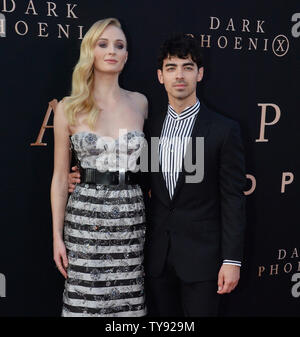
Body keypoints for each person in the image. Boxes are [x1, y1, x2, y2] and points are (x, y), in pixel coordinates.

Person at [68, 33, 246, 317]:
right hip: (156, 260)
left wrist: (232, 260)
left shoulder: (223, 131)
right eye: (171, 67)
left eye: (187, 67)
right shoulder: (150, 128)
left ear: (200, 74)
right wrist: (81, 176)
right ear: (160, 76)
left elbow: (233, 199)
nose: (180, 76)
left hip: (203, 262)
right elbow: (136, 179)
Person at [50, 18, 148, 317]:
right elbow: (59, 176)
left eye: (120, 46)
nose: (112, 51)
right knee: (84, 304)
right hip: (84, 219)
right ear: (89, 50)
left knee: (128, 306)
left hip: (130, 217)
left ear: (127, 56)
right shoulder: (69, 107)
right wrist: (56, 236)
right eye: (103, 44)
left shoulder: (140, 103)